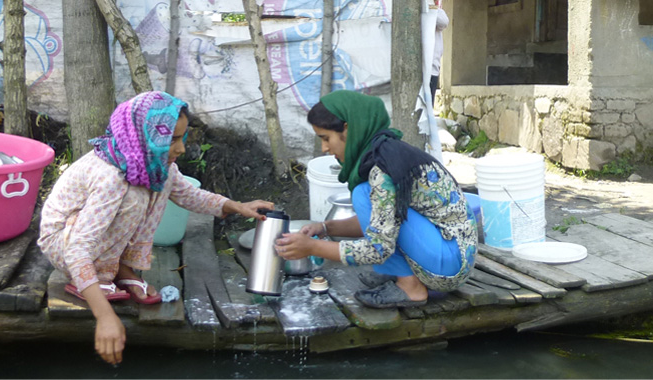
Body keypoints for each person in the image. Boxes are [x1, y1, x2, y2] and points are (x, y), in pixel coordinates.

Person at [37, 91, 273, 364]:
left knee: (161, 185)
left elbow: (190, 195)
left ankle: (117, 268)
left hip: (90, 242)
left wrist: (238, 206)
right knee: (134, 197)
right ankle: (96, 278)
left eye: (181, 138)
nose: (181, 148)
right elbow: (78, 248)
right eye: (171, 140)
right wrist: (105, 317)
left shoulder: (153, 164)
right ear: (143, 135)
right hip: (65, 244)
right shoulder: (110, 176)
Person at [274, 90, 477, 308]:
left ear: (348, 128)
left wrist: (313, 248)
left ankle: (411, 288)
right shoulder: (383, 153)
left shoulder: (382, 170)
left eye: (326, 138)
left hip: (449, 263)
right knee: (364, 194)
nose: (324, 148)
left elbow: (379, 248)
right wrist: (325, 228)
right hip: (448, 252)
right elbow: (381, 221)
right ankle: (398, 273)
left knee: (362, 193)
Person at [429, 0, 449, 107]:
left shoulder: (435, 11)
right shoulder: (429, 8)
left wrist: (433, 7)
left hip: (433, 68)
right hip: (425, 68)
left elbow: (443, 22)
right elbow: (443, 21)